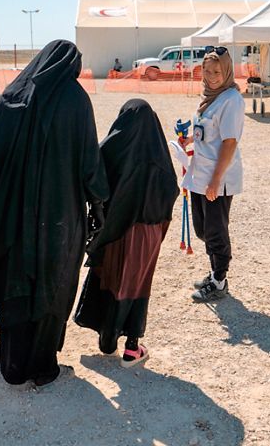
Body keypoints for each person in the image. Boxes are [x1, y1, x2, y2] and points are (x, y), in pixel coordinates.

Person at [0, 40, 109, 390]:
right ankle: (43, 366)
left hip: (10, 216)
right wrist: (100, 203)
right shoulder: (76, 100)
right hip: (61, 217)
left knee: (13, 285)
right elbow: (89, 163)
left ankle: (13, 366)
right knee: (51, 285)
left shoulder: (11, 99)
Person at [74, 99, 179, 367]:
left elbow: (93, 176)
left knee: (110, 278)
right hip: (148, 233)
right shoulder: (159, 155)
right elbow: (172, 191)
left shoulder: (112, 150)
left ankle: (107, 340)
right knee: (137, 284)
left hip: (116, 230)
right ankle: (132, 347)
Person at [179, 46, 245, 302]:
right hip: (200, 175)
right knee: (202, 230)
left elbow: (229, 142)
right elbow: (206, 134)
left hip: (218, 178)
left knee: (216, 230)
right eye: (207, 70)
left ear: (227, 70)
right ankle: (214, 270)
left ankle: (219, 279)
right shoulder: (208, 96)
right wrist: (188, 142)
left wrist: (216, 181)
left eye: (217, 71)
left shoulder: (231, 99)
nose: (211, 75)